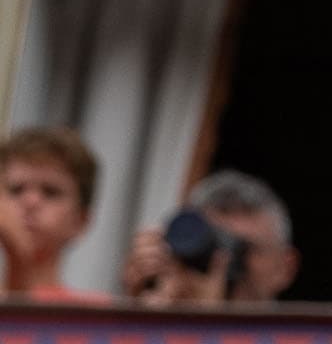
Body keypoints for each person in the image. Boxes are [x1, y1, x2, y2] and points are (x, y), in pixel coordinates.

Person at [119, 166, 299, 305]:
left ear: (286, 268)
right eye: (214, 243)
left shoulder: (299, 341)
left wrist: (206, 325)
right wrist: (139, 316)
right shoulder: (160, 316)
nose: (226, 259)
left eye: (243, 248)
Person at [0, 126, 99, 302]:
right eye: (16, 190)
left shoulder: (95, 312)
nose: (30, 202)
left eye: (50, 192)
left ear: (81, 221)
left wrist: (19, 258)